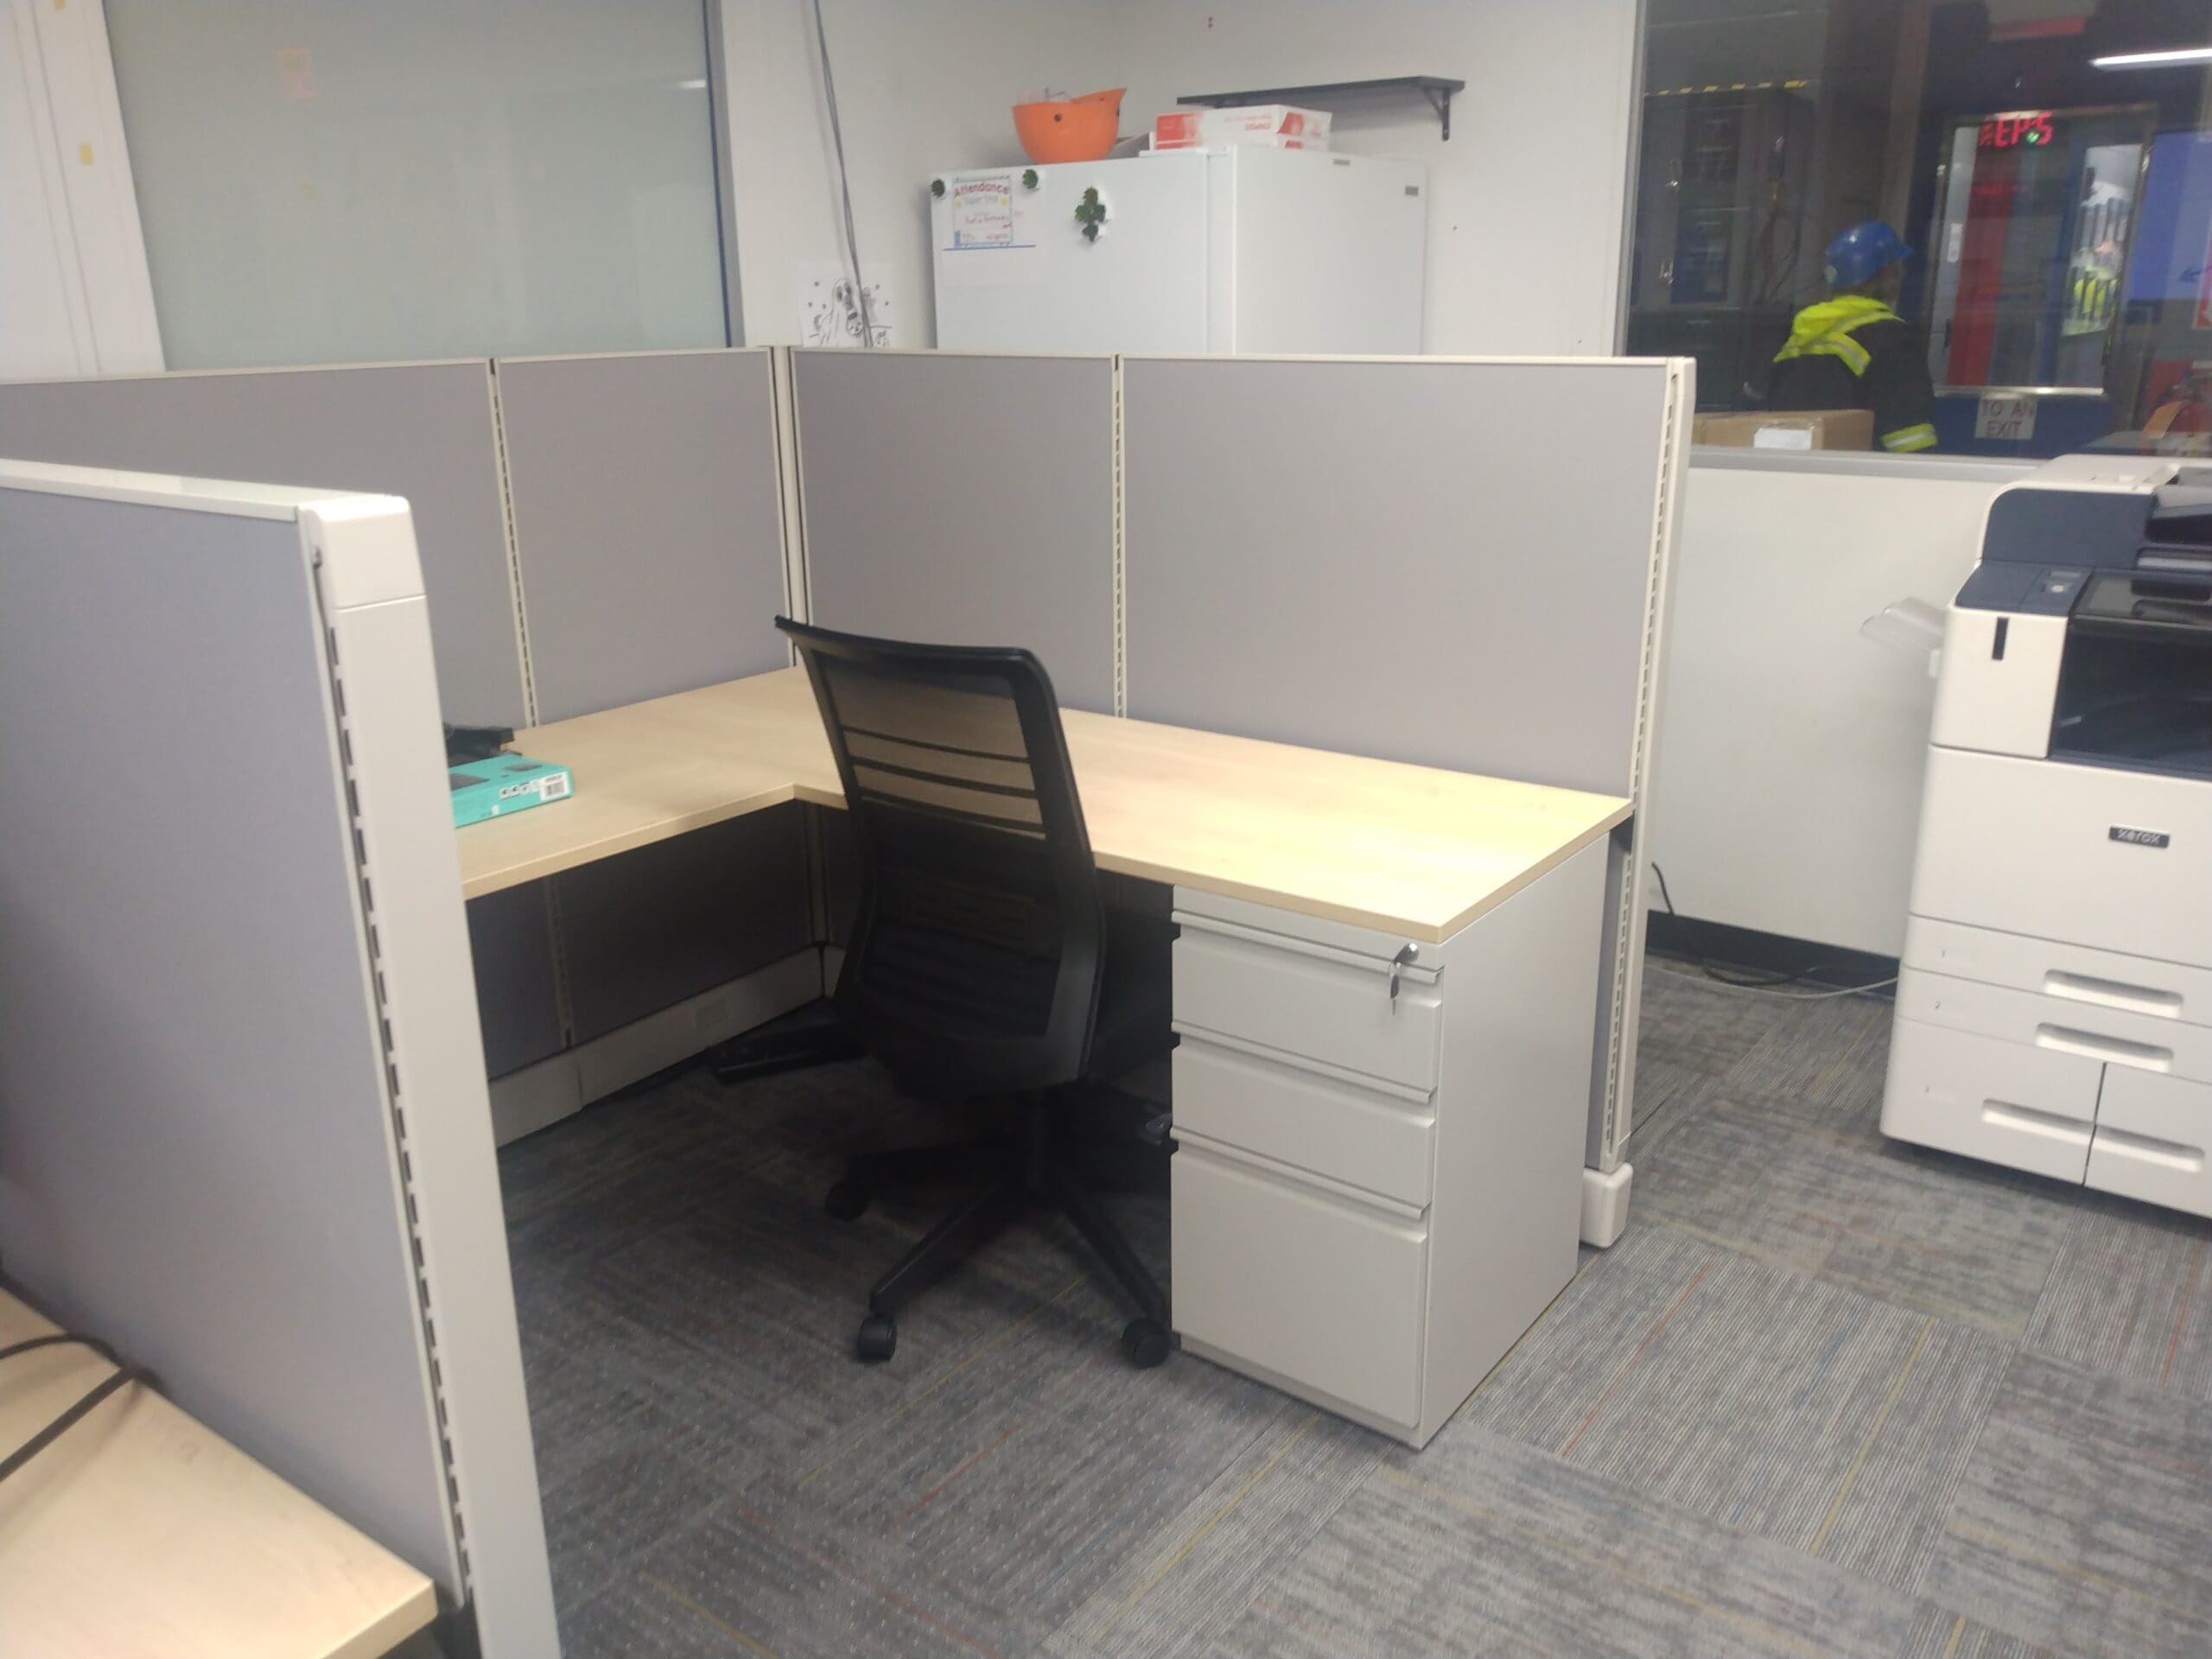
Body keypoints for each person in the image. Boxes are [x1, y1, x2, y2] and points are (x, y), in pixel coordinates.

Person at [1769, 221, 1939, 454]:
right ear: (1891, 274)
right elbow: (1911, 440)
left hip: (1794, 478)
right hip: (1859, 482)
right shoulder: (1891, 341)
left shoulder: (1797, 337)